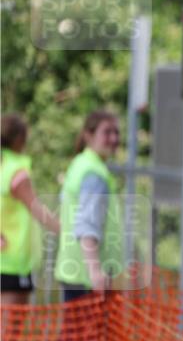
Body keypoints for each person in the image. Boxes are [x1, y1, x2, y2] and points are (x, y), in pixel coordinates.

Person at [55, 110, 123, 302]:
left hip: (74, 273)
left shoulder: (80, 163)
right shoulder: (93, 173)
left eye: (116, 132)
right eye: (107, 132)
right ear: (89, 135)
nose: (114, 138)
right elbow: (87, 223)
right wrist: (95, 271)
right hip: (88, 280)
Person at [1, 113, 60, 305]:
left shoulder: (4, 166)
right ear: (20, 138)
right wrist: (67, 230)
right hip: (14, 260)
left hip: (7, 258)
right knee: (11, 322)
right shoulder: (16, 172)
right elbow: (37, 209)